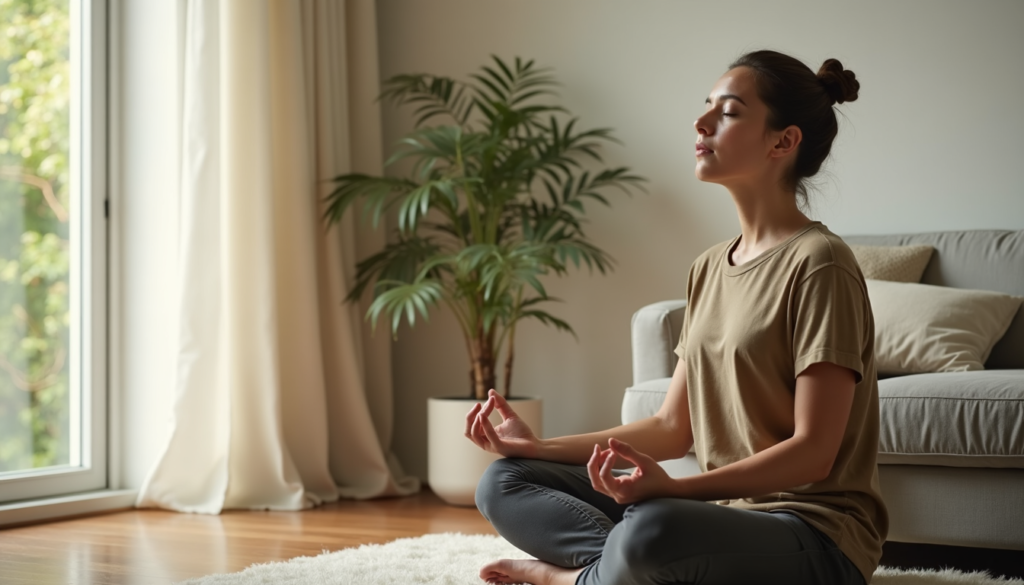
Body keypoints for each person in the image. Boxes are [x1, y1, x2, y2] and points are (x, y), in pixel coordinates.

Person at [464, 49, 888, 585]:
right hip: (721, 520)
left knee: (652, 527)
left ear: (783, 141)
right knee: (505, 481)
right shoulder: (709, 267)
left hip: (814, 536)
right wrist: (539, 446)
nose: (702, 121)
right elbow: (671, 427)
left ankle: (566, 578)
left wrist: (673, 490)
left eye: (729, 112)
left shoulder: (820, 263)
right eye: (706, 106)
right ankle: (618, 571)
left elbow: (813, 454)